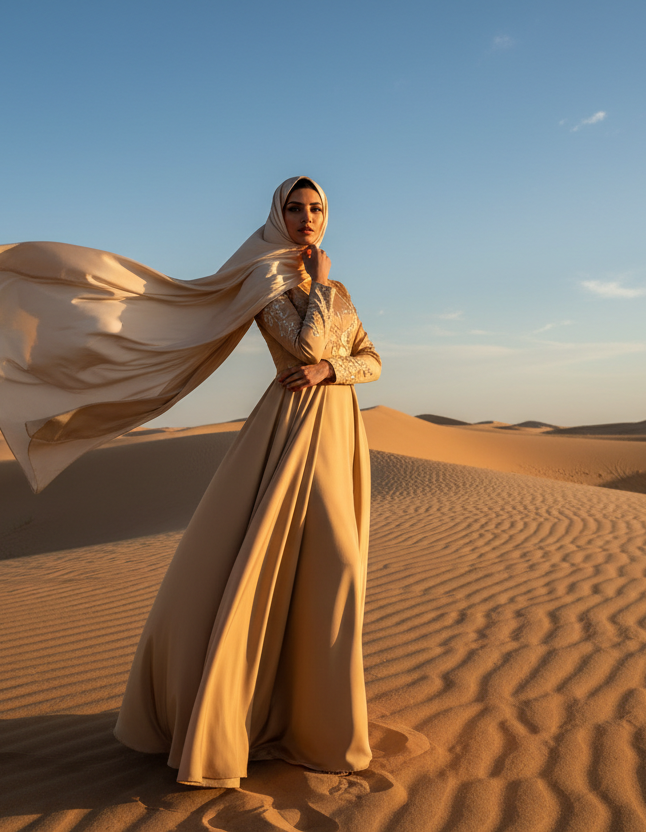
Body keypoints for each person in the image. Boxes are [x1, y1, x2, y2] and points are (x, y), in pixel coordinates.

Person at [113, 177, 381, 788]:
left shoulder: (337, 290)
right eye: (295, 208)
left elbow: (372, 359)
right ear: (277, 215)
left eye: (316, 209)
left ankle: (312, 723)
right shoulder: (269, 283)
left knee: (331, 570)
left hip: (338, 433)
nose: (307, 218)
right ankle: (250, 720)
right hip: (288, 436)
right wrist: (317, 294)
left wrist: (331, 369)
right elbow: (303, 342)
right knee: (301, 563)